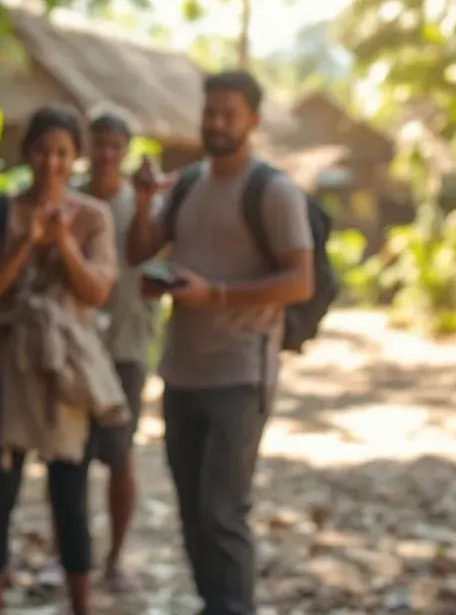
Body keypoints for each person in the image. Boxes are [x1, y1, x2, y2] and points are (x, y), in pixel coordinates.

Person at [125, 71, 314, 615]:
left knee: (223, 511)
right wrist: (143, 204)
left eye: (229, 114)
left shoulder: (273, 191)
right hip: (181, 371)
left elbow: (299, 281)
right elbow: (139, 250)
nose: (216, 123)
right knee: (192, 511)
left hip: (241, 373)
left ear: (253, 120)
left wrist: (217, 294)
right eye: (210, 112)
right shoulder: (187, 184)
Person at [0, 107, 125, 615]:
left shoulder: (93, 216)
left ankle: (82, 605)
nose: (51, 163)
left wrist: (64, 245)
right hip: (3, 369)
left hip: (66, 374)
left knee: (71, 497)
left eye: (62, 153)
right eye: (42, 150)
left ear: (75, 157)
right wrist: (28, 244)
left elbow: (97, 290)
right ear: (26, 152)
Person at [85, 112, 163, 592]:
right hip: (74, 347)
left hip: (127, 345)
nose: (108, 154)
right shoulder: (69, 199)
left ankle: (114, 559)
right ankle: (70, 556)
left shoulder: (143, 204)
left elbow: (150, 262)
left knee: (119, 455)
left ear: (127, 150)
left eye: (117, 145)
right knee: (68, 459)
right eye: (101, 143)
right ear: (88, 146)